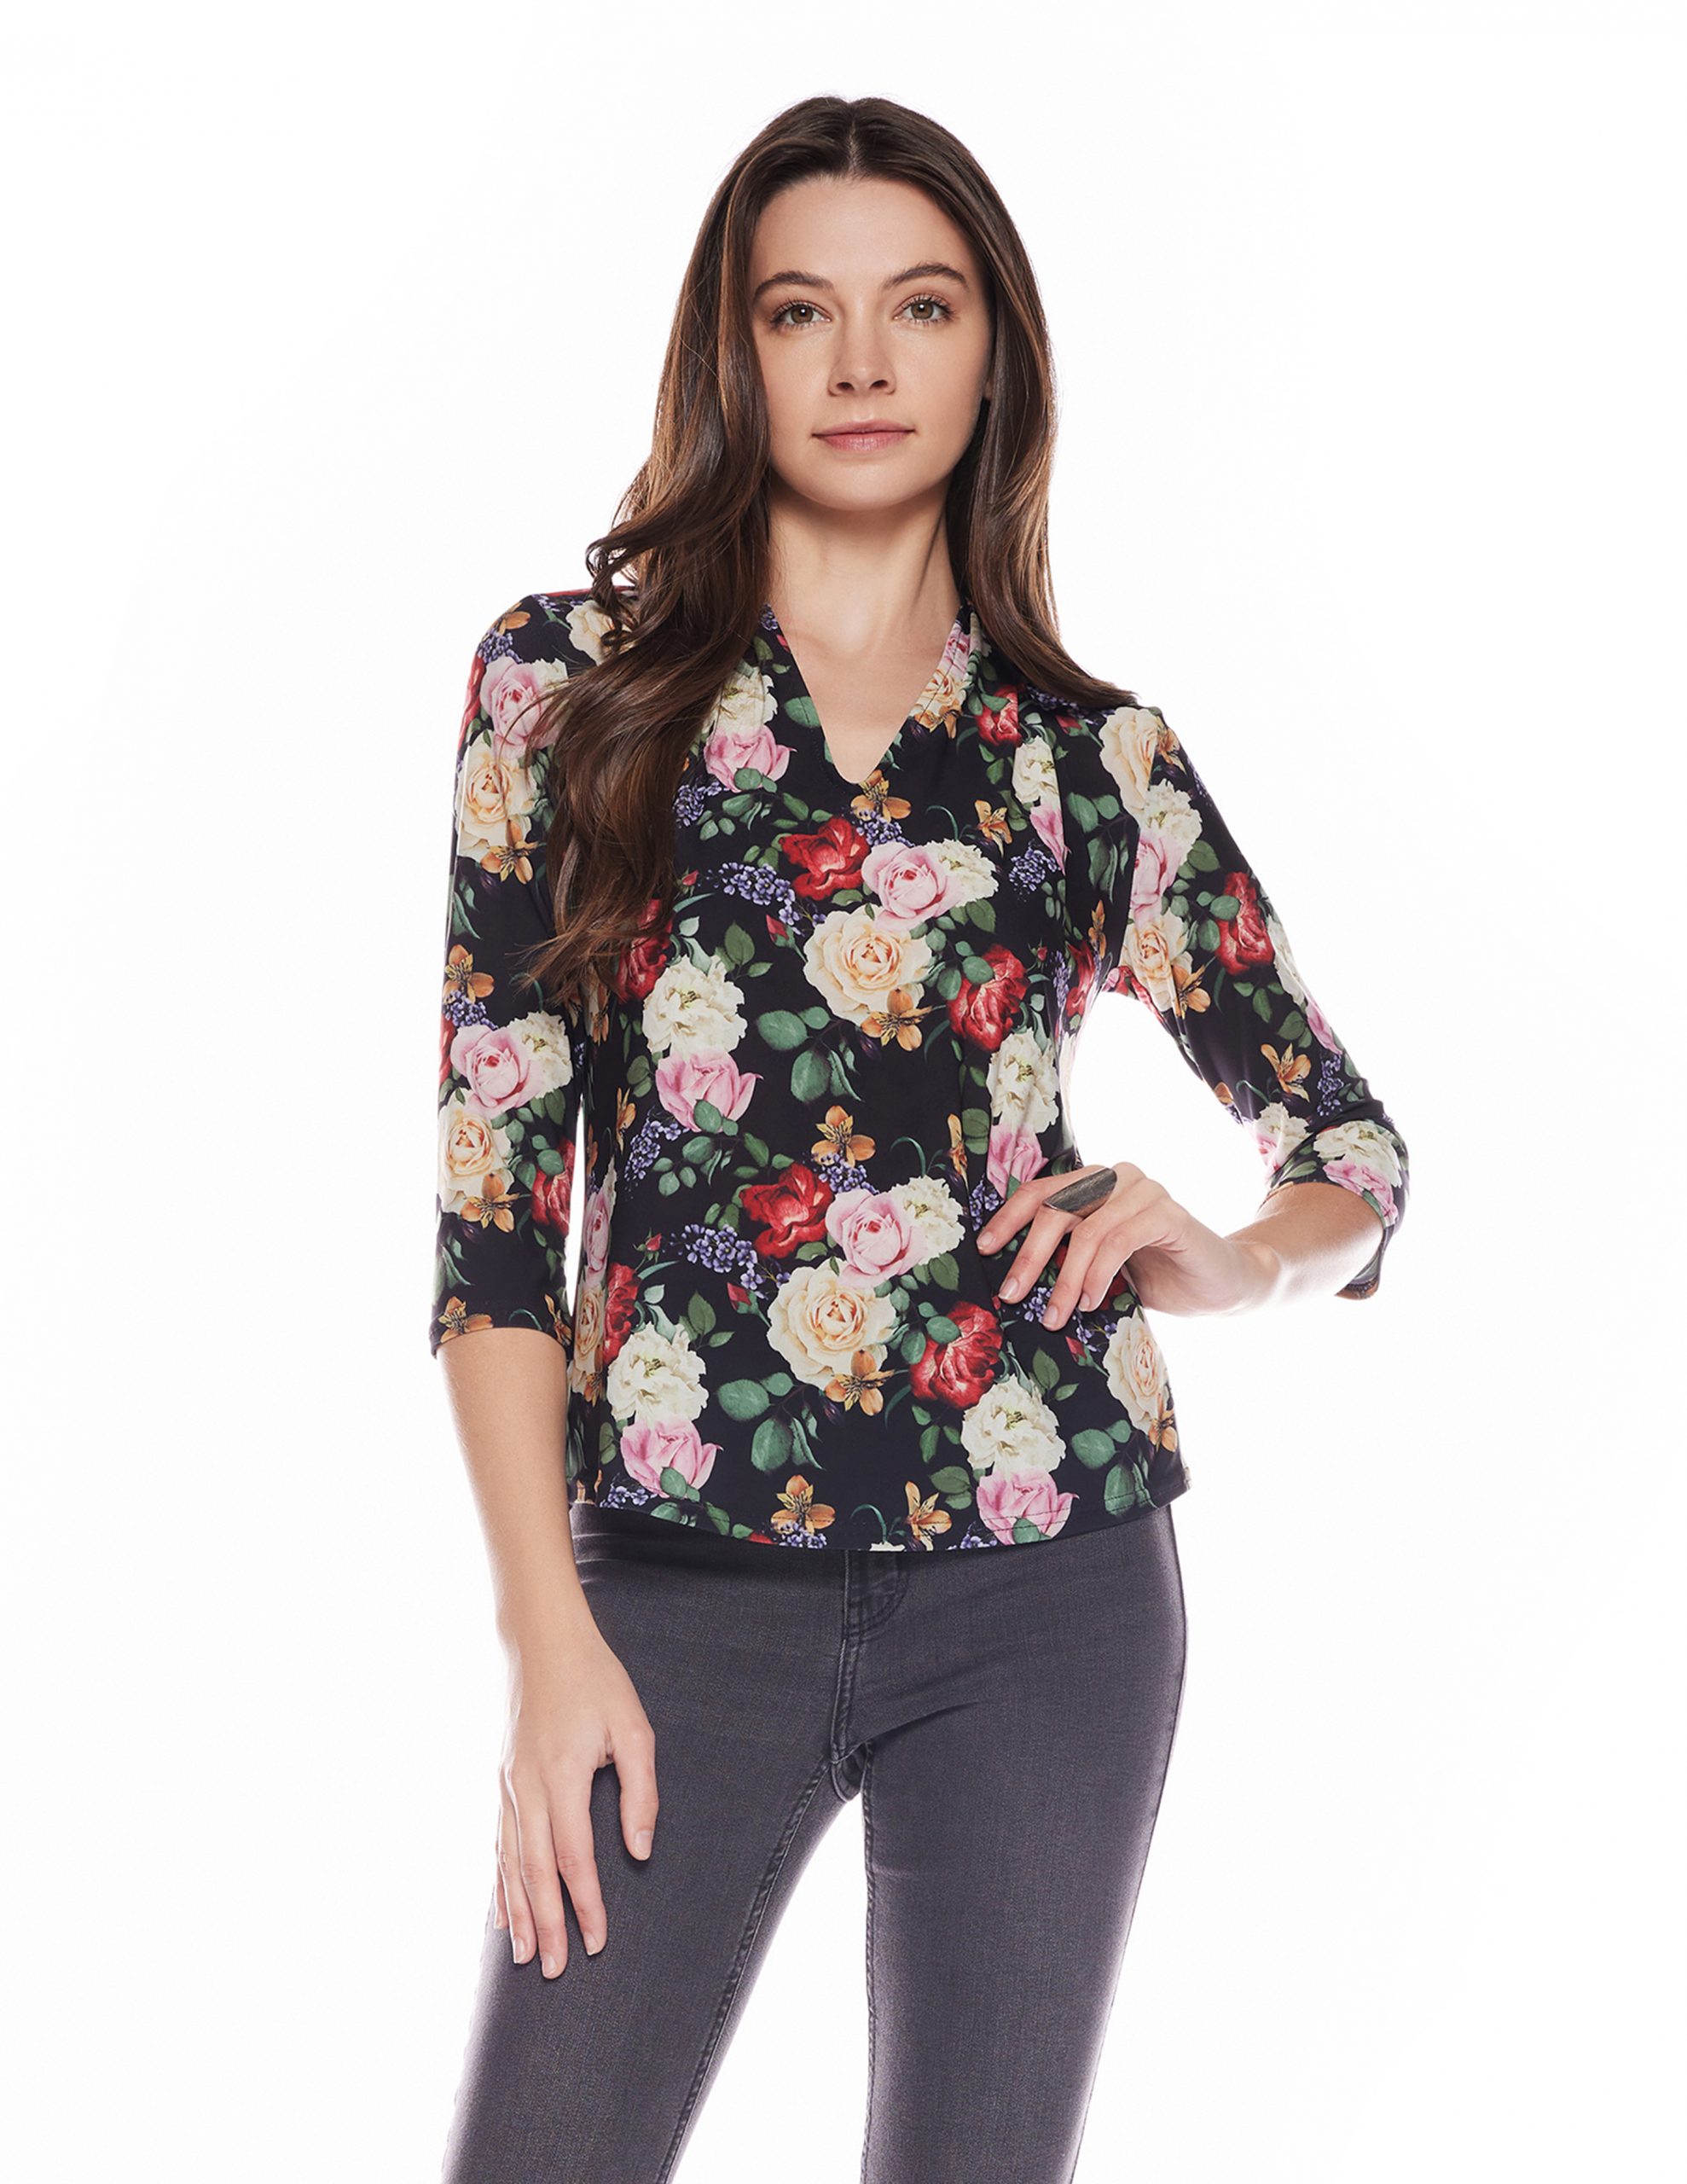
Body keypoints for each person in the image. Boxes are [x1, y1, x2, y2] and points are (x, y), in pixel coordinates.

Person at [429, 94, 1409, 2184]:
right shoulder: (566, 688)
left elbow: (1349, 1144)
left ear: (993, 354)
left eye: (921, 306)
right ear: (733, 351)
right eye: (801, 309)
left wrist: (1236, 1256)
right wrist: (543, 1637)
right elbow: (496, 1212)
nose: (861, 362)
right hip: (670, 1583)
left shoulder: (1088, 759)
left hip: (1049, 1584)